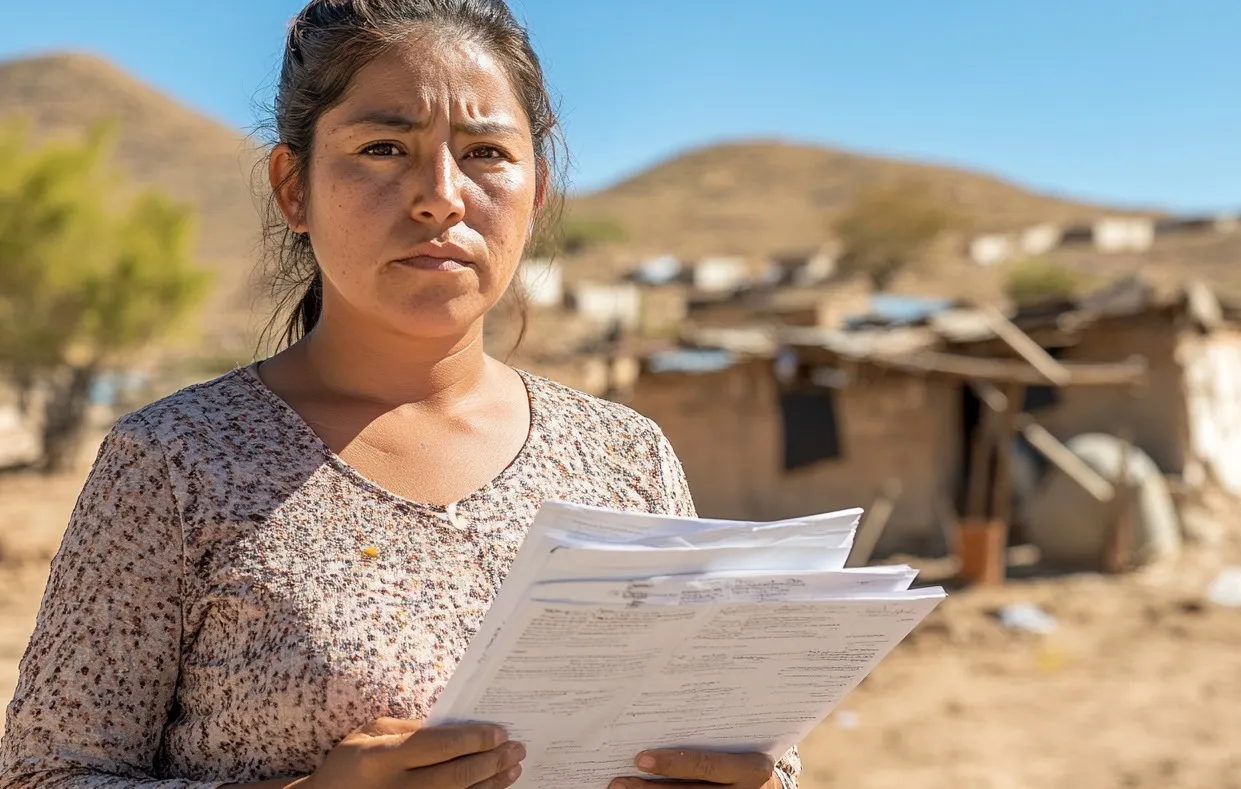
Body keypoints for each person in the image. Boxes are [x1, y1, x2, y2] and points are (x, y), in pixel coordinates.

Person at [0, 2, 800, 788]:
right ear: (293, 188)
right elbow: (47, 773)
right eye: (384, 147)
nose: (442, 197)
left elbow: (721, 728)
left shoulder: (628, 457)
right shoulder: (177, 463)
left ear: (536, 189)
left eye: (487, 152)